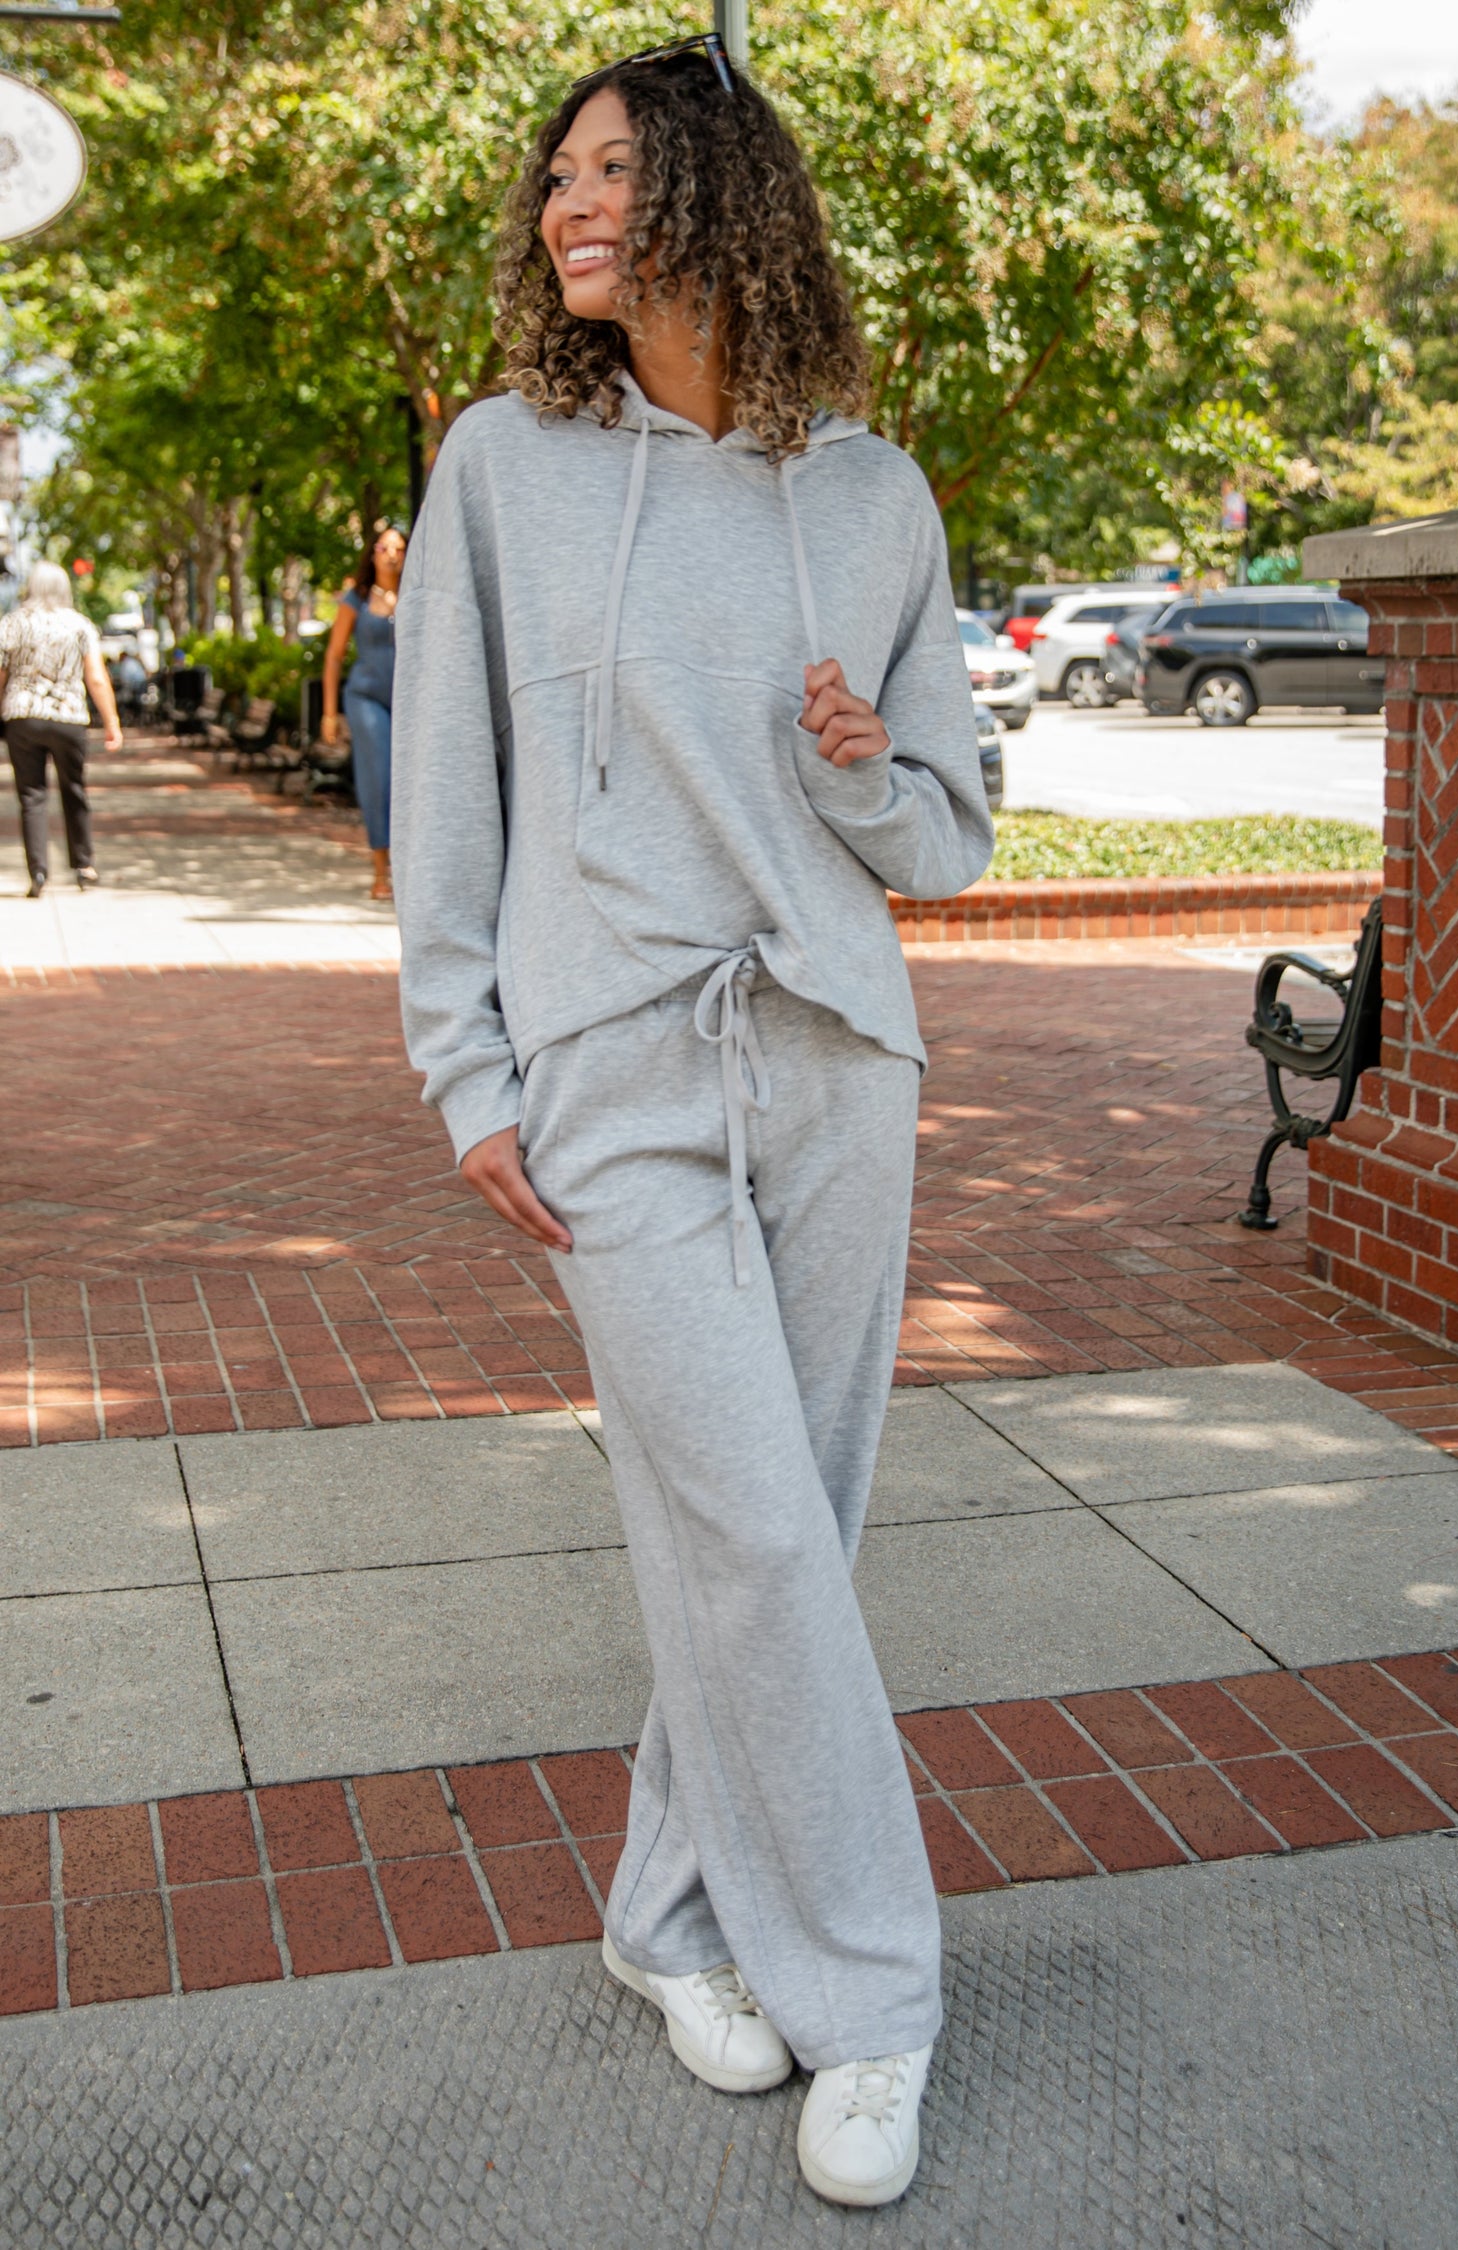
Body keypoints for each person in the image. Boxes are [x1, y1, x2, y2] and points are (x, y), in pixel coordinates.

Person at [391, 36, 991, 2211]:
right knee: (748, 1530)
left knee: (782, 1536)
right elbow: (444, 797)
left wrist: (853, 771)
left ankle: (665, 1921)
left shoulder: (879, 499)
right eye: (554, 178)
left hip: (835, 1058)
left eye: (614, 171)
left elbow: (949, 835)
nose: (566, 208)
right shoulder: (502, 470)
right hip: (612, 1076)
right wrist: (468, 1068)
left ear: (724, 198)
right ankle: (880, 1999)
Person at [0, 559, 123, 897]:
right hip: (68, 717)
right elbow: (96, 678)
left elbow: (1, 676)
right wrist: (111, 722)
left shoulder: (11, 624)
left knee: (31, 796)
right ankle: (84, 865)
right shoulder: (79, 625)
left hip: (22, 715)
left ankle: (38, 872)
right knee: (74, 790)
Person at [322, 523, 406, 899]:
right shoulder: (355, 598)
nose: (392, 554)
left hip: (407, 699)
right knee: (379, 777)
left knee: (410, 780)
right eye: (384, 547)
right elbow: (335, 655)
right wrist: (329, 712)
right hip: (366, 697)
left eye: (399, 548)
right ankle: (380, 873)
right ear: (372, 554)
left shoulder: (415, 593)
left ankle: (409, 867)